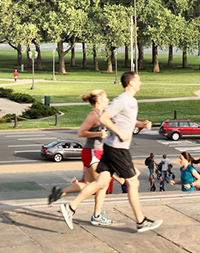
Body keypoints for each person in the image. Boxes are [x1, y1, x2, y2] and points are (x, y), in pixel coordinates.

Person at [59, 72, 162, 233]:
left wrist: (142, 123)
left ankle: (70, 207)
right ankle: (141, 221)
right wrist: (119, 133)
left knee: (101, 183)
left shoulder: (131, 101)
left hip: (111, 147)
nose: (141, 83)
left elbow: (125, 120)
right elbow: (105, 118)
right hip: (117, 148)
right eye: (138, 80)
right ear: (130, 83)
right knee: (133, 182)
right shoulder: (121, 100)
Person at [48, 90, 112, 226]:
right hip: (93, 152)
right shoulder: (94, 114)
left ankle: (60, 193)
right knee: (101, 185)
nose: (108, 99)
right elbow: (81, 132)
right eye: (106, 97)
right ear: (99, 101)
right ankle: (86, 212)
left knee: (91, 184)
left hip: (93, 152)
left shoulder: (102, 114)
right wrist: (99, 134)